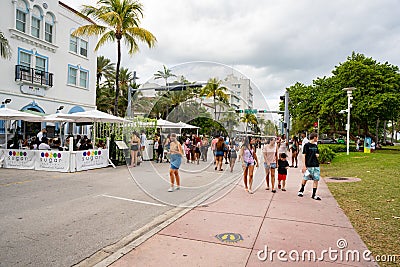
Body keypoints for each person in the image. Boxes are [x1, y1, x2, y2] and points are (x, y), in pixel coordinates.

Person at [298, 132, 321, 200]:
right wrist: (304, 165)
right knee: (305, 178)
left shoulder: (315, 146)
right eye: (317, 137)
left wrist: (317, 155)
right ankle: (301, 190)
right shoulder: (306, 145)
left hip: (316, 165)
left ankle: (314, 194)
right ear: (314, 138)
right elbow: (303, 155)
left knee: (316, 179)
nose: (317, 139)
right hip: (309, 165)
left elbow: (317, 153)